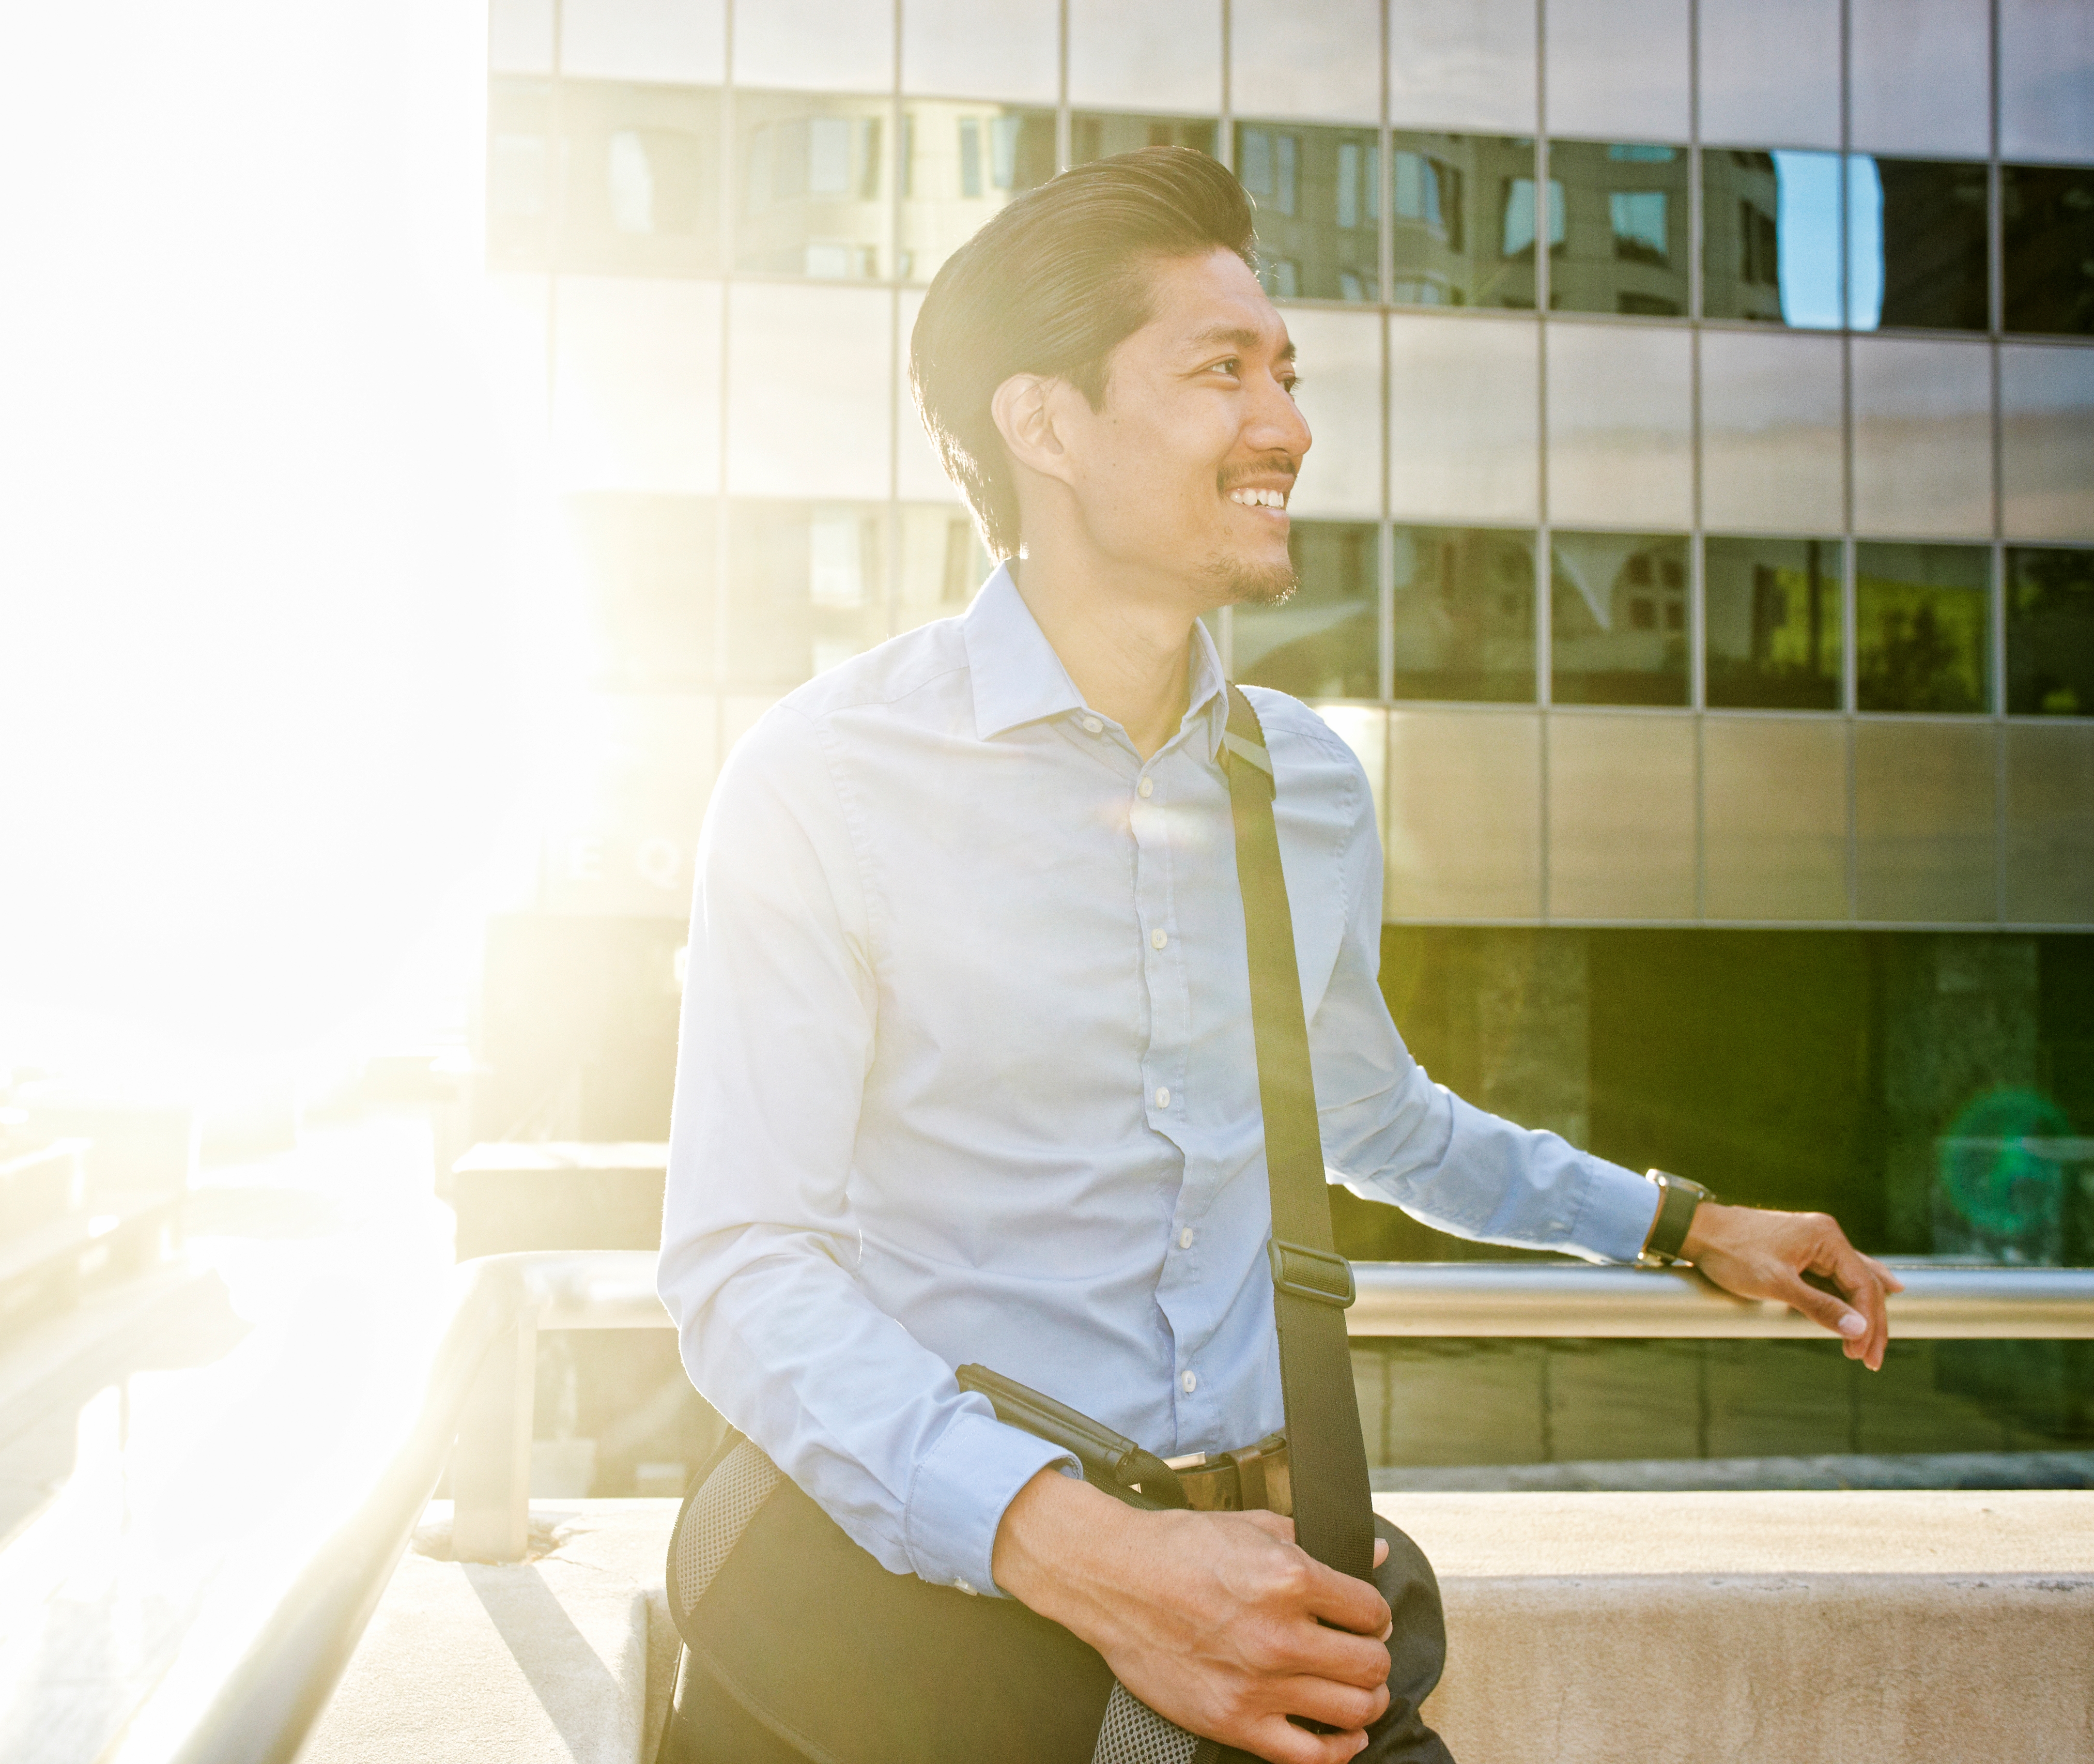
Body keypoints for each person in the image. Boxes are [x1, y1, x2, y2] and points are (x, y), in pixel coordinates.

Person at [656, 146, 1900, 1764]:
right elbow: (743, 1268)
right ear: (1045, 424)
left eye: (1287, 373)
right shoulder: (825, 778)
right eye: (1220, 370)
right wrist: (1088, 1557)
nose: (1289, 426)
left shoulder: (1301, 781)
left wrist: (1684, 1224)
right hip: (913, 1640)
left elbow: (1374, 1118)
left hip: (1266, 1607)